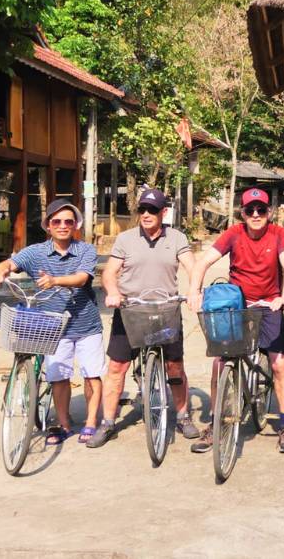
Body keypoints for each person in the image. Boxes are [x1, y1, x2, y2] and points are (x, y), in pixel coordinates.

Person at [187, 188, 284, 454]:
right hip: (237, 305)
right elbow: (203, 262)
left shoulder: (278, 234)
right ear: (243, 213)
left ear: (269, 212)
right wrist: (194, 291)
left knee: (278, 362)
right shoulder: (234, 233)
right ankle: (215, 423)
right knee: (219, 363)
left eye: (261, 210)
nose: (256, 215)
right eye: (251, 210)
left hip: (269, 303)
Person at [0, 199, 104, 445]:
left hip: (86, 325)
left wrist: (55, 280)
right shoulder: (36, 252)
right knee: (58, 376)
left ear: (75, 226)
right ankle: (63, 424)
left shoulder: (86, 250)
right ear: (48, 226)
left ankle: (92, 422)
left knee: (92, 375)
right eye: (57, 221)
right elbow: (10, 263)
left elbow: (83, 278)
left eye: (68, 222)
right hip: (52, 327)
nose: (63, 225)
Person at [87, 189, 197, 448]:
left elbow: (192, 267)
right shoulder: (125, 239)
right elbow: (109, 272)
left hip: (165, 309)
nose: (146, 215)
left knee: (175, 366)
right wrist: (113, 291)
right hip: (130, 309)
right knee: (116, 367)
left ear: (163, 213)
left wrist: (194, 291)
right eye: (142, 210)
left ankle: (183, 415)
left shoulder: (177, 237)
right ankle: (108, 422)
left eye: (152, 210)